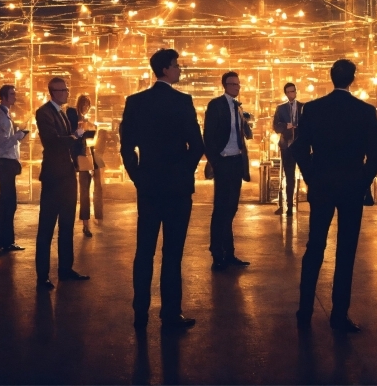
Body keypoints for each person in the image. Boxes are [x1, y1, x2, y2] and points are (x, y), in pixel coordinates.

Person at [292, 59, 377, 331]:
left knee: (314, 247)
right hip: (351, 188)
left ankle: (304, 310)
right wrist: (361, 181)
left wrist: (311, 178)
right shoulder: (365, 111)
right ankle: (339, 315)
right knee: (346, 251)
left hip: (322, 186)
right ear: (352, 79)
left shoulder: (313, 108)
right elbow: (375, 156)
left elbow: (299, 149)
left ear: (331, 78)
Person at [121, 48, 204, 331]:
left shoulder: (135, 102)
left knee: (144, 250)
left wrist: (138, 176)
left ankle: (139, 312)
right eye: (177, 65)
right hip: (177, 189)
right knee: (173, 253)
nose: (179, 69)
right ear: (166, 70)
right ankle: (170, 313)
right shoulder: (183, 102)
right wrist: (184, 170)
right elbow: (197, 145)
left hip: (149, 187)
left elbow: (126, 147)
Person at [35, 77, 90, 289]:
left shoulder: (62, 113)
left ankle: (65, 269)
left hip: (67, 175)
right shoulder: (45, 112)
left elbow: (64, 141)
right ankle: (43, 276)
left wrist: (76, 139)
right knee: (47, 228)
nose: (67, 93)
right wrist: (74, 137)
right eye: (64, 90)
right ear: (54, 92)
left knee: (66, 225)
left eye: (67, 89)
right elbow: (52, 141)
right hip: (53, 177)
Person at [204, 71, 253, 271]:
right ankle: (217, 253)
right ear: (224, 85)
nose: (236, 87)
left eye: (238, 85)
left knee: (231, 209)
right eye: (233, 84)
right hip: (223, 161)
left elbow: (242, 135)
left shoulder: (238, 107)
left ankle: (229, 253)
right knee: (221, 209)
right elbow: (208, 135)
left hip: (236, 162)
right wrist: (215, 160)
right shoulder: (216, 105)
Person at [0, 84, 28, 252]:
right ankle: (2, 241)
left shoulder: (5, 114)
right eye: (12, 94)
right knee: (7, 202)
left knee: (7, 202)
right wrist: (19, 135)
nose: (15, 96)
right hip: (5, 163)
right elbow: (3, 143)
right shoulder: (1, 117)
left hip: (7, 162)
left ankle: (4, 241)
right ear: (3, 97)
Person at [67, 94, 102, 237]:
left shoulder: (82, 118)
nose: (86, 108)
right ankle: (84, 224)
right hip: (79, 157)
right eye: (85, 105)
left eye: (88, 105)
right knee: (81, 192)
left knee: (85, 191)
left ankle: (86, 224)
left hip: (85, 156)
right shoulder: (73, 114)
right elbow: (74, 137)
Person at [273, 82, 303, 217]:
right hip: (287, 146)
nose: (292, 94)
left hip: (301, 146)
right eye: (289, 92)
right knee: (289, 177)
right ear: (286, 93)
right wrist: (287, 126)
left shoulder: (303, 107)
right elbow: (276, 126)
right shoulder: (281, 109)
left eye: (293, 91)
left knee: (308, 175)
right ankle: (289, 206)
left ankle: (309, 203)